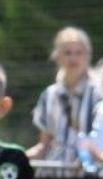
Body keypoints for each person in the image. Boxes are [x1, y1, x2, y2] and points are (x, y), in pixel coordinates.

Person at [24, 27, 98, 166]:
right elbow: (44, 146)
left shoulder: (99, 94)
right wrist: (16, 158)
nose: (73, 58)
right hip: (54, 176)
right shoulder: (49, 95)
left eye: (79, 52)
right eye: (67, 53)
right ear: (57, 57)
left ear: (88, 56)